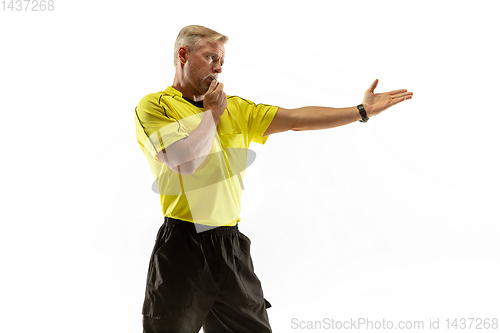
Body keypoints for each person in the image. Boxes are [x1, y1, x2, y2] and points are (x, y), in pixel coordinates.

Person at [134, 25, 413, 333]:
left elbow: (296, 119)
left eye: (222, 60)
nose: (219, 66)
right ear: (183, 55)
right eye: (211, 56)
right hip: (183, 246)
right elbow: (183, 161)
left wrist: (361, 110)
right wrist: (211, 114)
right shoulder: (155, 106)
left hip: (229, 246)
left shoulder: (235, 108)